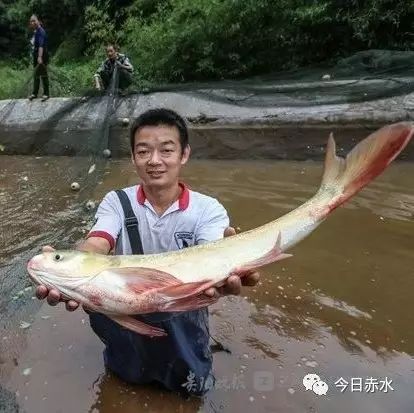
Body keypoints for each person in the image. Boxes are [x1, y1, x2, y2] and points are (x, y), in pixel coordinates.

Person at [35, 108, 260, 397]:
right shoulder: (116, 202)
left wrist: (230, 269)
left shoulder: (208, 209)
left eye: (166, 150)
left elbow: (210, 258)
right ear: (133, 157)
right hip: (121, 304)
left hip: (181, 308)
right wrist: (73, 262)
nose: (154, 161)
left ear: (184, 154)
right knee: (124, 377)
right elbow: (96, 243)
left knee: (189, 386)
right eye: (143, 152)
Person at [28, 14, 50, 102]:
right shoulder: (36, 31)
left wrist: (40, 57)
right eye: (31, 21)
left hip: (42, 56)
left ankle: (46, 94)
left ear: (38, 21)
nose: (32, 22)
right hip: (36, 56)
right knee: (36, 75)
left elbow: (41, 46)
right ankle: (35, 93)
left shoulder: (41, 31)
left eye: (34, 20)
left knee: (44, 75)